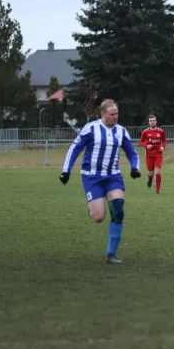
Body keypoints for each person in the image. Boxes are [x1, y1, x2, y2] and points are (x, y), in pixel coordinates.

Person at [59, 99, 141, 264]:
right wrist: (66, 171)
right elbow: (75, 148)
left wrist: (135, 168)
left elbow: (132, 152)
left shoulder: (121, 131)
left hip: (113, 176)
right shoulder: (90, 129)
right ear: (103, 114)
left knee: (118, 211)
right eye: (112, 114)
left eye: (117, 113)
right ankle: (93, 209)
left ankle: (111, 254)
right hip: (92, 177)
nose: (116, 117)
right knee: (98, 217)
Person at [139, 115, 168, 194]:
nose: (152, 122)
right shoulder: (145, 132)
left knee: (157, 172)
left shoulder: (161, 131)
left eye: (153, 120)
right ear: (148, 122)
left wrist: (163, 147)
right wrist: (146, 146)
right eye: (150, 121)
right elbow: (141, 141)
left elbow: (165, 141)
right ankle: (150, 179)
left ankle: (157, 189)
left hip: (158, 154)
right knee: (150, 173)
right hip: (149, 155)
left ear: (156, 121)